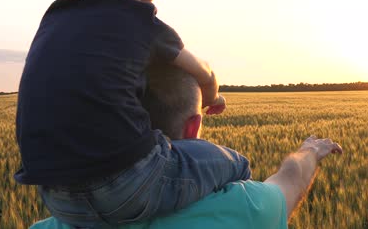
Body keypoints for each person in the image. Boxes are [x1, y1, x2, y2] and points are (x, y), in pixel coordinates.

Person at [15, 0, 250, 227]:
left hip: (56, 197)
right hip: (129, 186)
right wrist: (213, 96)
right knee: (236, 164)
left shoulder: (53, 18)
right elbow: (202, 71)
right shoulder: (141, 22)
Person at [31, 65, 343, 228]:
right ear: (193, 127)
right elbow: (290, 178)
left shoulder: (56, 222)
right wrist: (310, 150)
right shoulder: (244, 211)